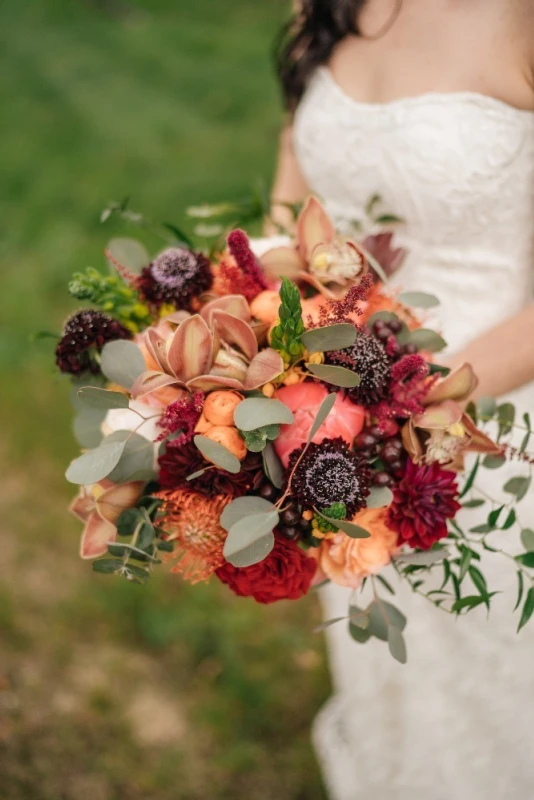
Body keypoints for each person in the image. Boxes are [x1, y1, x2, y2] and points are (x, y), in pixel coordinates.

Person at [269, 2, 534, 798]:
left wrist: (396, 414)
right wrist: (269, 351)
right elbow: (291, 203)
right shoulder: (328, 3)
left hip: (486, 421)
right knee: (386, 659)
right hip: (333, 410)